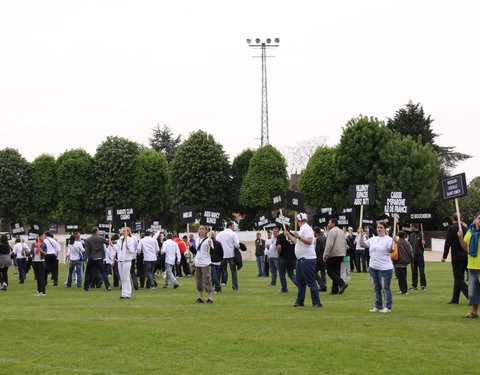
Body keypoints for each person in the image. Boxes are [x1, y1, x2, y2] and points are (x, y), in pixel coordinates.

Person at [285, 213, 321, 307]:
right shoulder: (303, 228)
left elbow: (309, 241)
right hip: (301, 259)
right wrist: (289, 235)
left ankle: (316, 302)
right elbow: (297, 242)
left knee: (310, 281)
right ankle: (300, 301)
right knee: (300, 282)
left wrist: (299, 237)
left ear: (298, 220)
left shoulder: (306, 228)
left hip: (307, 259)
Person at [358, 222, 393, 313]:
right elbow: (362, 245)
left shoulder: (388, 239)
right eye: (378, 227)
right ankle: (378, 306)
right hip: (373, 267)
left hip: (385, 268)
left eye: (381, 227)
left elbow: (391, 250)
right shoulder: (373, 239)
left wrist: (394, 241)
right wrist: (360, 234)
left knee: (386, 288)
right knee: (376, 288)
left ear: (385, 229)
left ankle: (388, 307)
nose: (379, 229)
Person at [442, 213, 469, 304]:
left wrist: (444, 256)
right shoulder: (465, 228)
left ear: (453, 219)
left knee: (458, 278)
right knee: (459, 277)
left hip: (457, 256)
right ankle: (455, 298)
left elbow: (448, 243)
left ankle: (471, 296)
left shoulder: (452, 228)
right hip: (465, 255)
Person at [458, 210, 480, 318]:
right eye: (479, 218)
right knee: (473, 292)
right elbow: (465, 247)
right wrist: (460, 238)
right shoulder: (470, 232)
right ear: (475, 219)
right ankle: (473, 312)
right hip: (472, 266)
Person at [323, 218, 348, 295]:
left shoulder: (332, 231)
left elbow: (329, 244)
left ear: (333, 223)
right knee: (336, 272)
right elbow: (345, 243)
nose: (328, 224)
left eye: (329, 223)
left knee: (330, 271)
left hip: (333, 254)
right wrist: (344, 253)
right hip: (341, 253)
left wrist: (325, 254)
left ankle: (342, 284)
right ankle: (334, 290)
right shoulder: (341, 231)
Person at [84, 227, 111, 292]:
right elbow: (108, 243)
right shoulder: (100, 238)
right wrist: (109, 239)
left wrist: (85, 258)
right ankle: (108, 286)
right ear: (96, 231)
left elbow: (87, 250)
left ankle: (86, 287)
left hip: (91, 258)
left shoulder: (88, 239)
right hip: (99, 257)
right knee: (103, 272)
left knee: (88, 273)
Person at [113, 227, 137, 299]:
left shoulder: (130, 240)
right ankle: (123, 293)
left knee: (126, 277)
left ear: (128, 232)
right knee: (122, 278)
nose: (122, 232)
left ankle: (128, 293)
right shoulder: (120, 240)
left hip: (127, 260)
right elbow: (117, 249)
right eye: (122, 231)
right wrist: (111, 245)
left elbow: (133, 251)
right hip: (120, 260)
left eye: (124, 231)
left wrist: (128, 248)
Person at [216, 222, 240, 291]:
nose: (234, 228)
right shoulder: (233, 234)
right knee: (233, 271)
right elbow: (237, 244)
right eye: (233, 226)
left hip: (222, 255)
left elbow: (217, 243)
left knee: (219, 271)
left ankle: (218, 287)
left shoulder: (220, 234)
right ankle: (235, 287)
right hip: (231, 254)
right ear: (230, 226)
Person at [193, 225, 214, 303]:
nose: (201, 230)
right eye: (200, 229)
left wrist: (209, 246)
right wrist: (191, 246)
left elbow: (212, 252)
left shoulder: (209, 240)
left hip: (205, 263)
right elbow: (196, 251)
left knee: (207, 279)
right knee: (198, 281)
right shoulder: (197, 239)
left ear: (206, 231)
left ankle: (210, 297)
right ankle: (201, 297)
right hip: (198, 262)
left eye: (203, 229)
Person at [276, 224, 297, 293]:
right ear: (289, 228)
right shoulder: (293, 235)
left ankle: (284, 288)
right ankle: (298, 284)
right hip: (293, 257)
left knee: (282, 274)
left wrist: (279, 254)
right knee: (291, 273)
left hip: (283, 258)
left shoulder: (280, 236)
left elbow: (279, 247)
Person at [408, 223, 427, 291]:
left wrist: (424, 243)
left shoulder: (422, 234)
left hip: (420, 256)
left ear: (414, 226)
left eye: (411, 226)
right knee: (414, 271)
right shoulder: (411, 235)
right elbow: (409, 245)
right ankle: (414, 285)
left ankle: (423, 285)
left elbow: (426, 244)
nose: (410, 227)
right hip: (413, 256)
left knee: (421, 271)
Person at [314, 227, 327, 292]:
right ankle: (324, 284)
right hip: (325, 257)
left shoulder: (318, 239)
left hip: (319, 258)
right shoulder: (325, 237)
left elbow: (317, 249)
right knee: (323, 272)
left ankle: (322, 284)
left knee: (313, 271)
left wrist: (314, 256)